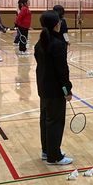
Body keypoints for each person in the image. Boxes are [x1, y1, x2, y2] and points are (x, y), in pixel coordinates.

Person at [34, 10, 73, 165]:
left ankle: (47, 151)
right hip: (55, 90)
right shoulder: (57, 45)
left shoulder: (40, 44)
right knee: (55, 122)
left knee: (45, 120)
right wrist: (67, 90)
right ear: (56, 24)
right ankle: (54, 156)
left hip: (43, 88)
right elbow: (62, 72)